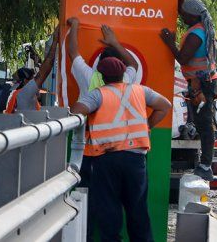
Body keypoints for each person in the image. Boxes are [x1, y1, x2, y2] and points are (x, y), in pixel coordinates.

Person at [70, 57, 172, 242]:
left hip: (107, 159)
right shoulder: (140, 90)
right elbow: (165, 106)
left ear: (102, 76)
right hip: (136, 160)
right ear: (123, 74)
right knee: (138, 208)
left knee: (109, 209)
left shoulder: (98, 94)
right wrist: (147, 126)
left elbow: (76, 111)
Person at [160, 0, 217, 181]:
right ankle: (205, 164)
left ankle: (206, 165)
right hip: (202, 83)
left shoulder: (197, 34)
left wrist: (169, 43)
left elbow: (183, 58)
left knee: (204, 125)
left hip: (201, 85)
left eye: (185, 14)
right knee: (202, 122)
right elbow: (181, 10)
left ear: (193, 15)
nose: (182, 16)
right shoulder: (199, 28)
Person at [5, 27, 59, 113]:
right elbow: (44, 72)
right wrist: (55, 41)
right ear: (25, 81)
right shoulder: (24, 94)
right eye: (32, 79)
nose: (35, 81)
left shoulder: (15, 94)